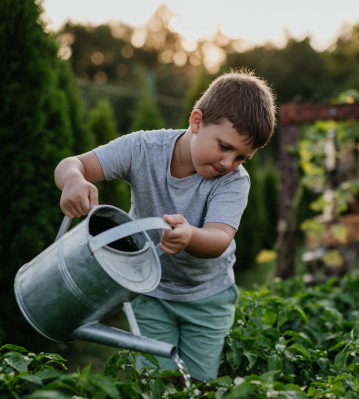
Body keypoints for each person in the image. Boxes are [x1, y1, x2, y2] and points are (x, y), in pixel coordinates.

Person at [54, 69, 276, 382]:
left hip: (207, 297)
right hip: (151, 288)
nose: (229, 163)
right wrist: (74, 181)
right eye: (225, 147)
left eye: (241, 157)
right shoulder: (143, 149)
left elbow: (219, 238)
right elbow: (72, 164)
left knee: (197, 384)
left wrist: (190, 237)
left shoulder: (233, 181)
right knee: (158, 382)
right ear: (196, 122)